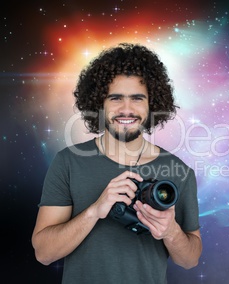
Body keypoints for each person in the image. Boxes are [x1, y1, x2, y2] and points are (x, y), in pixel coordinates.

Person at [32, 43, 202, 284]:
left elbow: (190, 260)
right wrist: (95, 211)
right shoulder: (68, 163)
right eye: (115, 98)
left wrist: (170, 231)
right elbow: (43, 254)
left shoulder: (179, 172)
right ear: (99, 103)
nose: (126, 109)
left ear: (152, 105)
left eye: (137, 99)